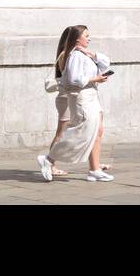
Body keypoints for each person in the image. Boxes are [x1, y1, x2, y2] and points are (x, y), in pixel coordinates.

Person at [38, 25, 113, 182]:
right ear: (77, 38)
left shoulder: (84, 55)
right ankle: (49, 159)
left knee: (96, 131)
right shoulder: (74, 56)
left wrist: (90, 53)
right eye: (86, 35)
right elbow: (73, 79)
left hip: (92, 96)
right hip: (82, 98)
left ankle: (94, 169)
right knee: (80, 132)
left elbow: (105, 63)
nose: (89, 38)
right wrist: (95, 79)